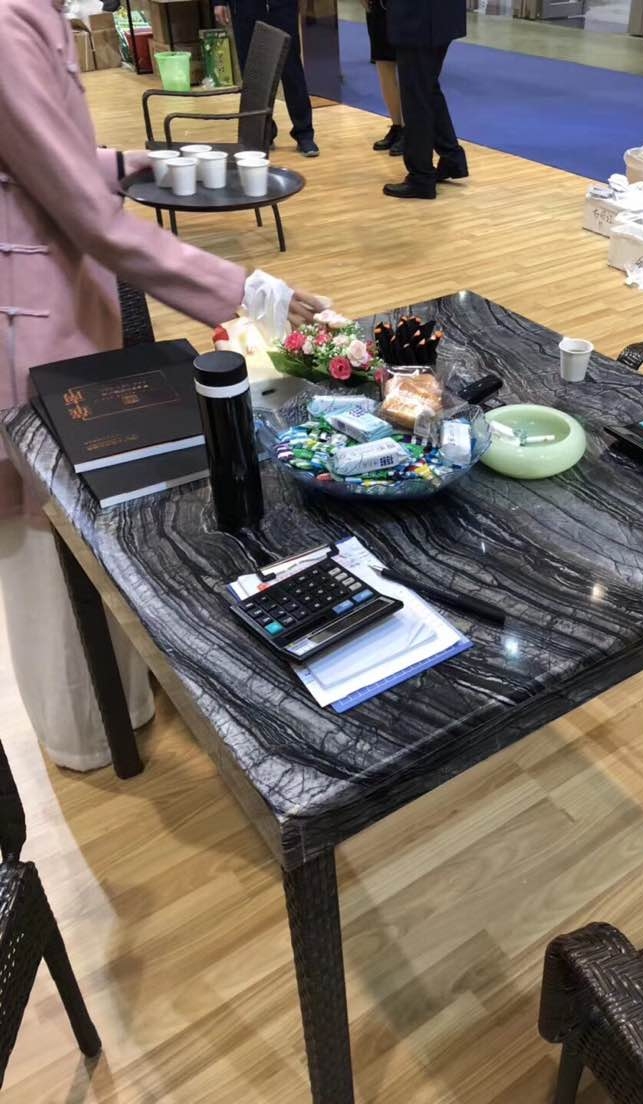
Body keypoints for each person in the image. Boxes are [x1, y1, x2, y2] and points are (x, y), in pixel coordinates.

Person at [0, 0, 327, 771]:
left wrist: (135, 164)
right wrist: (243, 290)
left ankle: (117, 691)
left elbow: (49, 156)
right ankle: (88, 728)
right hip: (25, 313)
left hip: (55, 298)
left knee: (77, 512)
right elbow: (87, 214)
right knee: (47, 530)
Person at [384, 0, 468, 200]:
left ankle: (421, 176)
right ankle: (451, 158)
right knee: (426, 87)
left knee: (416, 95)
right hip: (440, 14)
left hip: (418, 17)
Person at [214, 0, 319, 157]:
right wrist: (218, 2)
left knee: (292, 70)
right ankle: (264, 133)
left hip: (282, 6)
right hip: (243, 7)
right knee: (252, 72)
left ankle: (304, 133)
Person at [362, 0, 404, 158]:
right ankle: (397, 125)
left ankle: (409, 129)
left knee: (406, 67)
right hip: (378, 8)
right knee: (383, 64)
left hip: (406, 10)